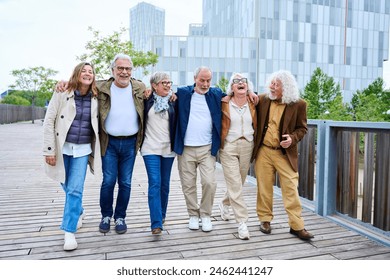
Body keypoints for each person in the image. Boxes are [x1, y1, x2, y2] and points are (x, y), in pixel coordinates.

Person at [43, 62, 102, 251]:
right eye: (83, 71)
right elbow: (49, 120)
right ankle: (79, 211)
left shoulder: (97, 95)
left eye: (90, 72)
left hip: (83, 149)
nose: (87, 74)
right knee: (67, 185)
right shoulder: (62, 92)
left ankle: (69, 232)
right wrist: (49, 149)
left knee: (75, 189)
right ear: (76, 74)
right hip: (62, 147)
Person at [252, 70, 314, 240]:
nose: (272, 87)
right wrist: (250, 91)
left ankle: (296, 226)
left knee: (291, 189)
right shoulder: (263, 100)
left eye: (276, 85)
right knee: (264, 188)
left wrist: (292, 139)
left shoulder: (299, 104)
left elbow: (302, 129)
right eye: (271, 83)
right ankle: (265, 220)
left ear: (285, 88)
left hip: (284, 153)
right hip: (264, 150)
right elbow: (246, 97)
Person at [97, 54, 146, 234]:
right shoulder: (101, 87)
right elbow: (81, 85)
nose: (124, 72)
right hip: (109, 142)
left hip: (130, 143)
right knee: (108, 181)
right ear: (113, 70)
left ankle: (120, 217)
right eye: (120, 68)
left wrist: (171, 95)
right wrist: (63, 84)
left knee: (125, 182)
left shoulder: (139, 87)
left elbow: (157, 92)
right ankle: (106, 216)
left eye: (128, 69)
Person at [173, 66, 223, 232]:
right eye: (202, 80)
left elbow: (235, 95)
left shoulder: (216, 94)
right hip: (186, 148)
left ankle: (206, 215)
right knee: (188, 184)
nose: (205, 83)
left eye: (208, 80)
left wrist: (251, 92)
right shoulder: (183, 93)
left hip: (207, 148)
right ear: (195, 78)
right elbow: (164, 92)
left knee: (209, 182)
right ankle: (193, 215)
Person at [218, 73, 257, 240]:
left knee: (239, 182)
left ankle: (225, 203)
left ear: (248, 86)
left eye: (244, 81)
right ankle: (242, 222)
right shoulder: (224, 102)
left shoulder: (255, 102)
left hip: (248, 144)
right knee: (235, 183)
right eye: (236, 81)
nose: (240, 83)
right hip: (229, 145)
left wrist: (252, 94)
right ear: (231, 87)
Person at [140, 72, 176, 235]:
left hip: (168, 149)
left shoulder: (174, 101)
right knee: (155, 182)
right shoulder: (146, 100)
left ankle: (161, 215)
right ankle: (156, 223)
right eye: (164, 83)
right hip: (150, 148)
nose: (168, 85)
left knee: (165, 185)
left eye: (169, 82)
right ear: (154, 85)